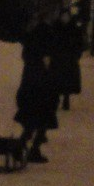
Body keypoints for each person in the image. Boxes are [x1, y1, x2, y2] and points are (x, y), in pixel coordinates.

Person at [14, 12, 60, 163]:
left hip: (29, 84)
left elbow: (26, 56)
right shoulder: (49, 36)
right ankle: (34, 149)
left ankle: (20, 147)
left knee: (30, 120)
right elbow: (51, 60)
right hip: (44, 87)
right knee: (43, 119)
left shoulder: (31, 38)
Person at [49, 9, 85, 110]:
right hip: (58, 58)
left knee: (67, 80)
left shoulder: (74, 28)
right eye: (63, 16)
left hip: (69, 58)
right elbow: (51, 42)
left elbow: (79, 42)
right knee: (56, 79)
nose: (65, 18)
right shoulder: (55, 28)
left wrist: (77, 54)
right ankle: (56, 99)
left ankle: (66, 98)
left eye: (66, 16)